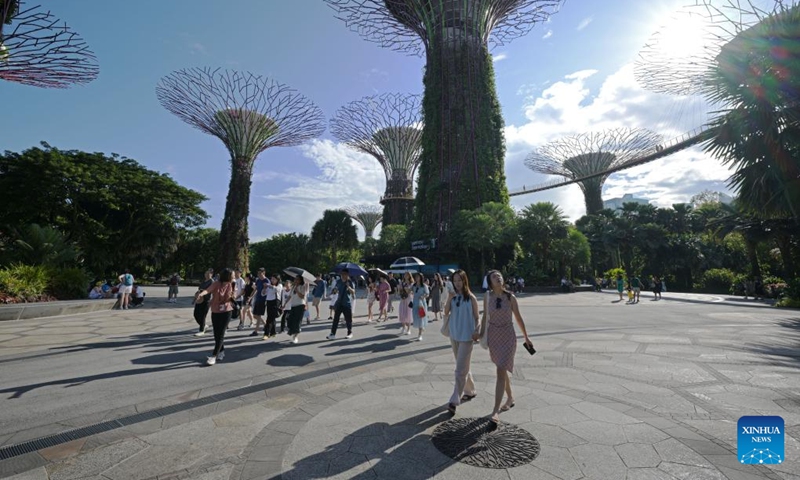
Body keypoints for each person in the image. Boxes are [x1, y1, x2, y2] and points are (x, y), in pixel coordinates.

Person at [478, 270, 533, 425]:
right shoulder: (487, 296)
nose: (499, 278)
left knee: (500, 370)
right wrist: (480, 333)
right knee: (501, 369)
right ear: (489, 282)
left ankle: (495, 411)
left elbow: (518, 317)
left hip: (508, 336)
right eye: (495, 277)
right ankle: (510, 397)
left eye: (500, 276)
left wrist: (526, 337)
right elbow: (485, 316)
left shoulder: (510, 297)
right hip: (494, 336)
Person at [443, 269, 479, 415]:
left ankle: (455, 398)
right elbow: (446, 312)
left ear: (465, 280)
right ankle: (470, 390)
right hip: (454, 334)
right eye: (455, 280)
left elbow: (477, 317)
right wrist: (449, 298)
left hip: (467, 337)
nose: (457, 283)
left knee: (459, 369)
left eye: (460, 280)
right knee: (462, 365)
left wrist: (477, 331)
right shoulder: (453, 296)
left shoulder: (471, 298)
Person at [194, 268, 235, 366]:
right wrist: (201, 294)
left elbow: (232, 297)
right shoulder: (216, 283)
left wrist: (232, 296)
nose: (234, 276)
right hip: (216, 311)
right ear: (227, 276)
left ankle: (213, 356)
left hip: (226, 311)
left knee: (220, 334)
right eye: (232, 275)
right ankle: (221, 351)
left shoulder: (231, 284)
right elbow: (208, 290)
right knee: (216, 334)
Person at [327, 269, 355, 340]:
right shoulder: (338, 281)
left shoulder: (350, 282)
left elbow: (353, 292)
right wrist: (334, 291)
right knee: (335, 319)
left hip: (347, 303)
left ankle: (349, 333)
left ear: (347, 275)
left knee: (348, 319)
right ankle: (333, 334)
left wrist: (348, 287)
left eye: (344, 274)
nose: (343, 275)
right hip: (339, 303)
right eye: (342, 274)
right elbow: (336, 290)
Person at [285, 276, 308, 344]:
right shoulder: (293, 287)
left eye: (297, 279)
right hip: (293, 305)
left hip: (300, 305)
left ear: (300, 281)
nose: (295, 281)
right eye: (295, 279)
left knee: (297, 321)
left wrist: (297, 291)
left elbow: (302, 296)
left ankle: (295, 337)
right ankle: (294, 330)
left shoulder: (302, 287)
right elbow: (290, 296)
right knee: (289, 319)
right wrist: (284, 304)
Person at [192, 269, 214, 336]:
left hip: (206, 300)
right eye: (206, 273)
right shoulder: (203, 282)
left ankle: (201, 330)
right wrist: (195, 299)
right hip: (199, 300)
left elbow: (211, 291)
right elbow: (199, 290)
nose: (207, 275)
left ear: (211, 274)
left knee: (202, 316)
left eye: (208, 273)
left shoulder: (211, 282)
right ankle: (204, 325)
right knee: (196, 314)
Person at [263, 274, 283, 339]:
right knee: (271, 317)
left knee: (269, 318)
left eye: (274, 279)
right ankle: (273, 332)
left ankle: (266, 333)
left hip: (275, 302)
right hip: (269, 302)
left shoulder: (279, 285)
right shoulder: (269, 286)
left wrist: (269, 285)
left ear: (277, 280)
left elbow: (277, 289)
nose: (272, 280)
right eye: (271, 279)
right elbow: (263, 293)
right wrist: (264, 288)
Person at [411, 272, 430, 341]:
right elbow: (410, 291)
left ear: (421, 278)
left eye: (418, 277)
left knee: (421, 317)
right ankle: (421, 329)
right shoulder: (414, 285)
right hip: (415, 302)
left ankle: (420, 334)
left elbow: (427, 294)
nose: (417, 278)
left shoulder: (424, 285)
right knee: (416, 317)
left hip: (421, 303)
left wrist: (423, 296)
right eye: (416, 277)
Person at [250, 269, 268, 337]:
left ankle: (256, 331)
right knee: (255, 315)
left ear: (264, 273)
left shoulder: (267, 281)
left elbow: (267, 291)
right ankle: (265, 324)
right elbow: (255, 289)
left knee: (259, 315)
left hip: (262, 300)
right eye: (258, 274)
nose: (259, 275)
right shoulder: (258, 280)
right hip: (257, 299)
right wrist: (250, 297)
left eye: (260, 273)